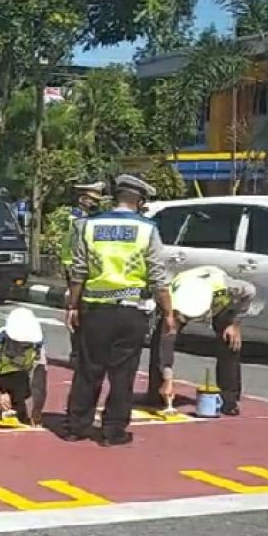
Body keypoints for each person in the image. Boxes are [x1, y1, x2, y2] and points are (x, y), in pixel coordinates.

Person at [63, 174, 173, 447]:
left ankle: (77, 426)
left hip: (95, 309)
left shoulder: (89, 226)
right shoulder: (147, 229)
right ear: (138, 199)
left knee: (88, 369)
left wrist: (73, 305)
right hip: (130, 310)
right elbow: (158, 277)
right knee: (123, 373)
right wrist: (168, 312)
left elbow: (78, 271)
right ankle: (113, 431)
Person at [146, 265, 256, 416]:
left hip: (222, 305)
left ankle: (228, 399)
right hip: (181, 302)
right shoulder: (172, 305)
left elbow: (250, 291)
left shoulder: (227, 288)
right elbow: (165, 347)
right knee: (160, 341)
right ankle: (158, 392)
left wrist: (234, 324)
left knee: (230, 341)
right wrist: (168, 378)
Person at [62, 180, 107, 369]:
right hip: (76, 269)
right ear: (82, 199)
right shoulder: (78, 219)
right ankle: (77, 354)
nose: (94, 203)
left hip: (80, 268)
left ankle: (81, 353)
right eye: (91, 199)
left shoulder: (85, 218)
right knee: (78, 311)